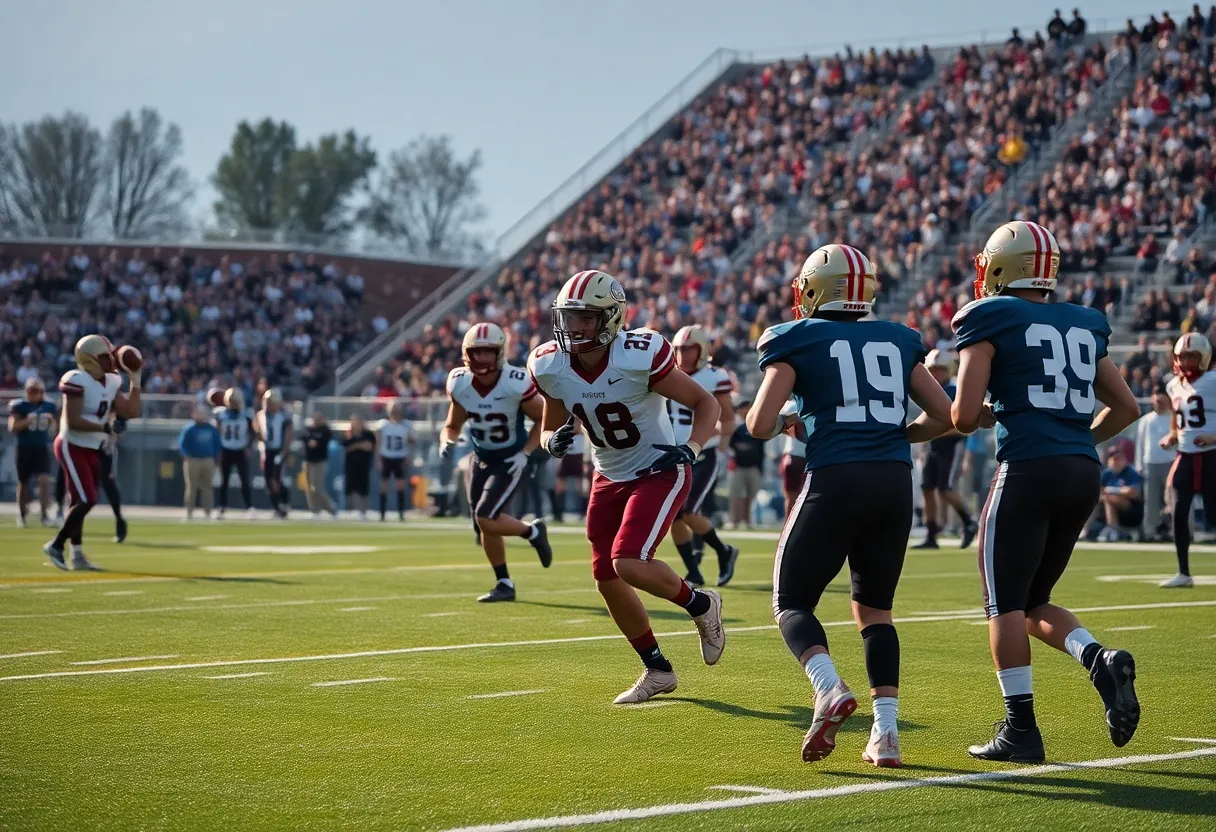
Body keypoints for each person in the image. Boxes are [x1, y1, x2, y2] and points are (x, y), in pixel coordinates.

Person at [748, 243, 954, 768]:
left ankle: (827, 686)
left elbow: (757, 423)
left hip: (835, 477)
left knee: (790, 599)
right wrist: (893, 433)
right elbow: (945, 416)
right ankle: (885, 733)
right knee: (876, 612)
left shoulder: (797, 337)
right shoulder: (897, 337)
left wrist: (793, 420)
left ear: (815, 288)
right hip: (893, 482)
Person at [952, 220, 1142, 764]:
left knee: (1004, 606)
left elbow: (964, 416)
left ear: (1000, 268)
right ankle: (1099, 658)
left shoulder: (987, 316)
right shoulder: (1083, 323)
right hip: (1081, 470)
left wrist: (995, 414)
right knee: (1033, 602)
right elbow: (1127, 408)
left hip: (1028, 469)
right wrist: (1073, 435)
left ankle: (1020, 730)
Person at [528, 269, 725, 705]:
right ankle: (657, 669)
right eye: (568, 317)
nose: (574, 327)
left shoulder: (638, 355)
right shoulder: (551, 364)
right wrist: (551, 440)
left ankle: (702, 604)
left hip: (658, 468)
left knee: (629, 563)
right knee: (606, 578)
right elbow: (548, 425)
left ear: (612, 319)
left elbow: (705, 402)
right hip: (607, 474)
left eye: (585, 318)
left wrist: (691, 447)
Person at [439, 322, 553, 602]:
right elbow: (452, 424)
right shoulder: (460, 382)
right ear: (466, 354)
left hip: (510, 458)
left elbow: (544, 417)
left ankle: (533, 530)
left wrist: (525, 452)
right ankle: (504, 582)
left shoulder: (515, 382)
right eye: (475, 353)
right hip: (482, 458)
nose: (481, 359)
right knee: (483, 524)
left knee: (486, 517)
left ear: (499, 353)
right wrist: (447, 439)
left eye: (487, 352)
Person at [43, 335, 142, 570]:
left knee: (78, 501)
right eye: (104, 356)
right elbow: (74, 420)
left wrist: (135, 379)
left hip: (92, 447)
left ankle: (76, 556)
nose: (111, 360)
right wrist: (106, 426)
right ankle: (56, 544)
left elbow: (132, 410)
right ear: (89, 360)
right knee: (88, 498)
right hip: (71, 445)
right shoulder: (77, 379)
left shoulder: (111, 381)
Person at [666, 325, 740, 587]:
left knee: (688, 511)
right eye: (678, 349)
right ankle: (693, 571)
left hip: (703, 453)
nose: (681, 354)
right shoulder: (669, 374)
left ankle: (723, 551)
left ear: (702, 351)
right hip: (676, 454)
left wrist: (718, 447)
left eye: (687, 349)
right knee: (673, 516)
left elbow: (728, 419)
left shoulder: (714, 376)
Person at [1161, 332, 1216, 588]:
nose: (1186, 363)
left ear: (1204, 358)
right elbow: (1176, 417)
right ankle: (1184, 572)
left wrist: (1214, 436)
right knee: (1179, 514)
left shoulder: (1214, 380)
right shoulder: (1173, 385)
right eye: (1182, 357)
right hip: (1185, 455)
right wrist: (1172, 435)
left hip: (1211, 456)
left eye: (1192, 357)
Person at [914, 349, 978, 549]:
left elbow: (958, 426)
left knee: (945, 488)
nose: (935, 373)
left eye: (939, 369)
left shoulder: (954, 389)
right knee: (927, 488)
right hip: (933, 445)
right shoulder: (931, 390)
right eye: (932, 369)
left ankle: (969, 521)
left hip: (951, 445)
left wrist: (931, 433)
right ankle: (931, 535)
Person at [9, 377, 57, 528]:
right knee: (23, 483)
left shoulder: (49, 406)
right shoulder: (19, 406)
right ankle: (22, 515)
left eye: (35, 391)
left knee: (44, 481)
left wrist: (52, 422)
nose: (32, 394)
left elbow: (55, 430)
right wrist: (27, 421)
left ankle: (44, 515)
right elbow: (13, 427)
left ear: (42, 392)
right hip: (24, 448)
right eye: (30, 390)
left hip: (41, 448)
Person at [1135, 383, 1174, 540]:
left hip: (1171, 462)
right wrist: (1139, 464)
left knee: (1174, 500)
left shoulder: (1174, 417)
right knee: (1150, 502)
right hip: (1151, 464)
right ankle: (1150, 532)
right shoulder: (1146, 420)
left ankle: (1179, 531)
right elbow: (1140, 442)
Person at [215, 388, 255, 519]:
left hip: (240, 450)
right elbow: (217, 432)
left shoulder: (247, 414)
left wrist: (248, 446)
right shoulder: (220, 414)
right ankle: (222, 507)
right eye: (231, 400)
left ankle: (249, 507)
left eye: (235, 400)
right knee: (224, 481)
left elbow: (253, 433)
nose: (233, 402)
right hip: (226, 449)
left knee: (244, 480)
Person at [179, 405, 221, 521]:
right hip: (193, 460)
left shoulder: (211, 429)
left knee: (207, 487)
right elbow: (182, 445)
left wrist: (217, 459)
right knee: (191, 487)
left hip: (208, 459)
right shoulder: (189, 429)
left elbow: (217, 444)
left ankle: (208, 512)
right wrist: (186, 456)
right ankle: (189, 512)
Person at [728, 401, 765, 529]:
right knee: (736, 494)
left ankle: (748, 520)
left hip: (753, 465)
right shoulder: (736, 427)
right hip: (738, 465)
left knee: (750, 495)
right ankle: (735, 520)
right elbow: (730, 444)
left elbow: (761, 444)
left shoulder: (756, 424)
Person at [256, 389, 292, 518]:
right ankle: (277, 507)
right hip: (267, 450)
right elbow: (259, 433)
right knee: (268, 480)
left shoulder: (283, 415)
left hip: (279, 449)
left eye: (272, 402)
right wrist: (261, 450)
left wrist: (285, 450)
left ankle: (284, 503)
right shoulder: (260, 414)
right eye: (268, 402)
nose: (270, 405)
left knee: (278, 479)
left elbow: (288, 434)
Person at [376, 401, 412, 521]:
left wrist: (408, 455)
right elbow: (378, 442)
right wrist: (378, 459)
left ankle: (401, 513)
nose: (394, 413)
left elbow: (411, 441)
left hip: (400, 456)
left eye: (396, 410)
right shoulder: (383, 425)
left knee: (400, 486)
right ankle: (382, 514)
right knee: (383, 486)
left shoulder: (406, 425)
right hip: (386, 456)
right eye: (393, 410)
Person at [99, 414, 128, 542]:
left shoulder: (114, 404)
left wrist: (114, 426)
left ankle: (119, 521)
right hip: (86, 449)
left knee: (109, 486)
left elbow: (121, 433)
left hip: (106, 452)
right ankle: (72, 523)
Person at [777, 399, 807, 518]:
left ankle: (790, 527)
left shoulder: (789, 405)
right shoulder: (792, 406)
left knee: (792, 497)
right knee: (796, 497)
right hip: (801, 456)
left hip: (793, 456)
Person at [302, 409, 335, 518]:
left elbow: (324, 439)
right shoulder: (308, 429)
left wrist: (315, 442)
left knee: (317, 488)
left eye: (319, 418)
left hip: (320, 461)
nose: (316, 420)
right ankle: (314, 510)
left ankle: (331, 508)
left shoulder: (325, 430)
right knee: (309, 488)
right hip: (308, 461)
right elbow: (303, 438)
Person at [343, 414, 376, 520]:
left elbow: (369, 446)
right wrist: (358, 445)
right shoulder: (349, 434)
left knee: (363, 488)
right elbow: (345, 448)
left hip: (364, 463)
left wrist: (355, 446)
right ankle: (358, 510)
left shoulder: (368, 434)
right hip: (351, 464)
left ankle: (364, 510)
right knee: (353, 488)